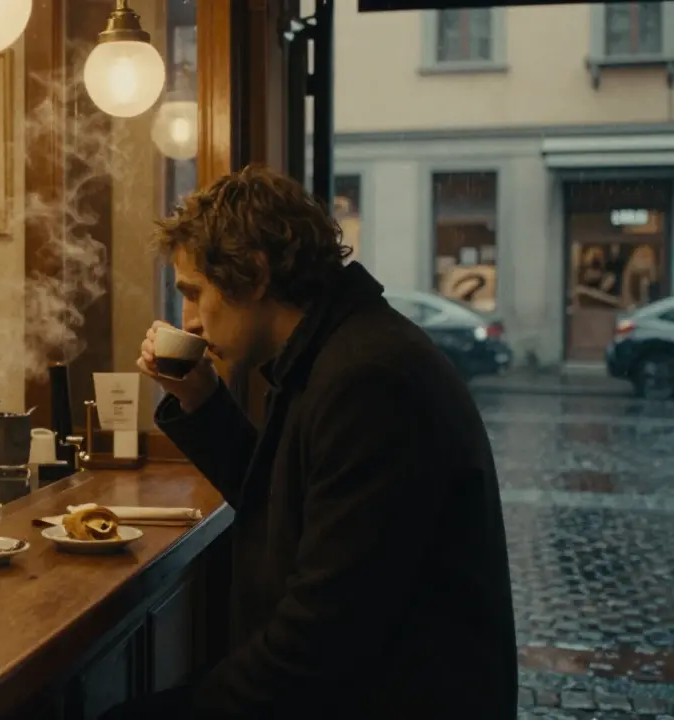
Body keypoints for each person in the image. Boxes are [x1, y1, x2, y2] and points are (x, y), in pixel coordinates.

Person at [117, 165, 517, 718]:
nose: (189, 321)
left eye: (193, 293)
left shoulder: (368, 379)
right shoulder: (335, 351)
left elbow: (321, 639)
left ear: (254, 274)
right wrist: (200, 399)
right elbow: (282, 506)